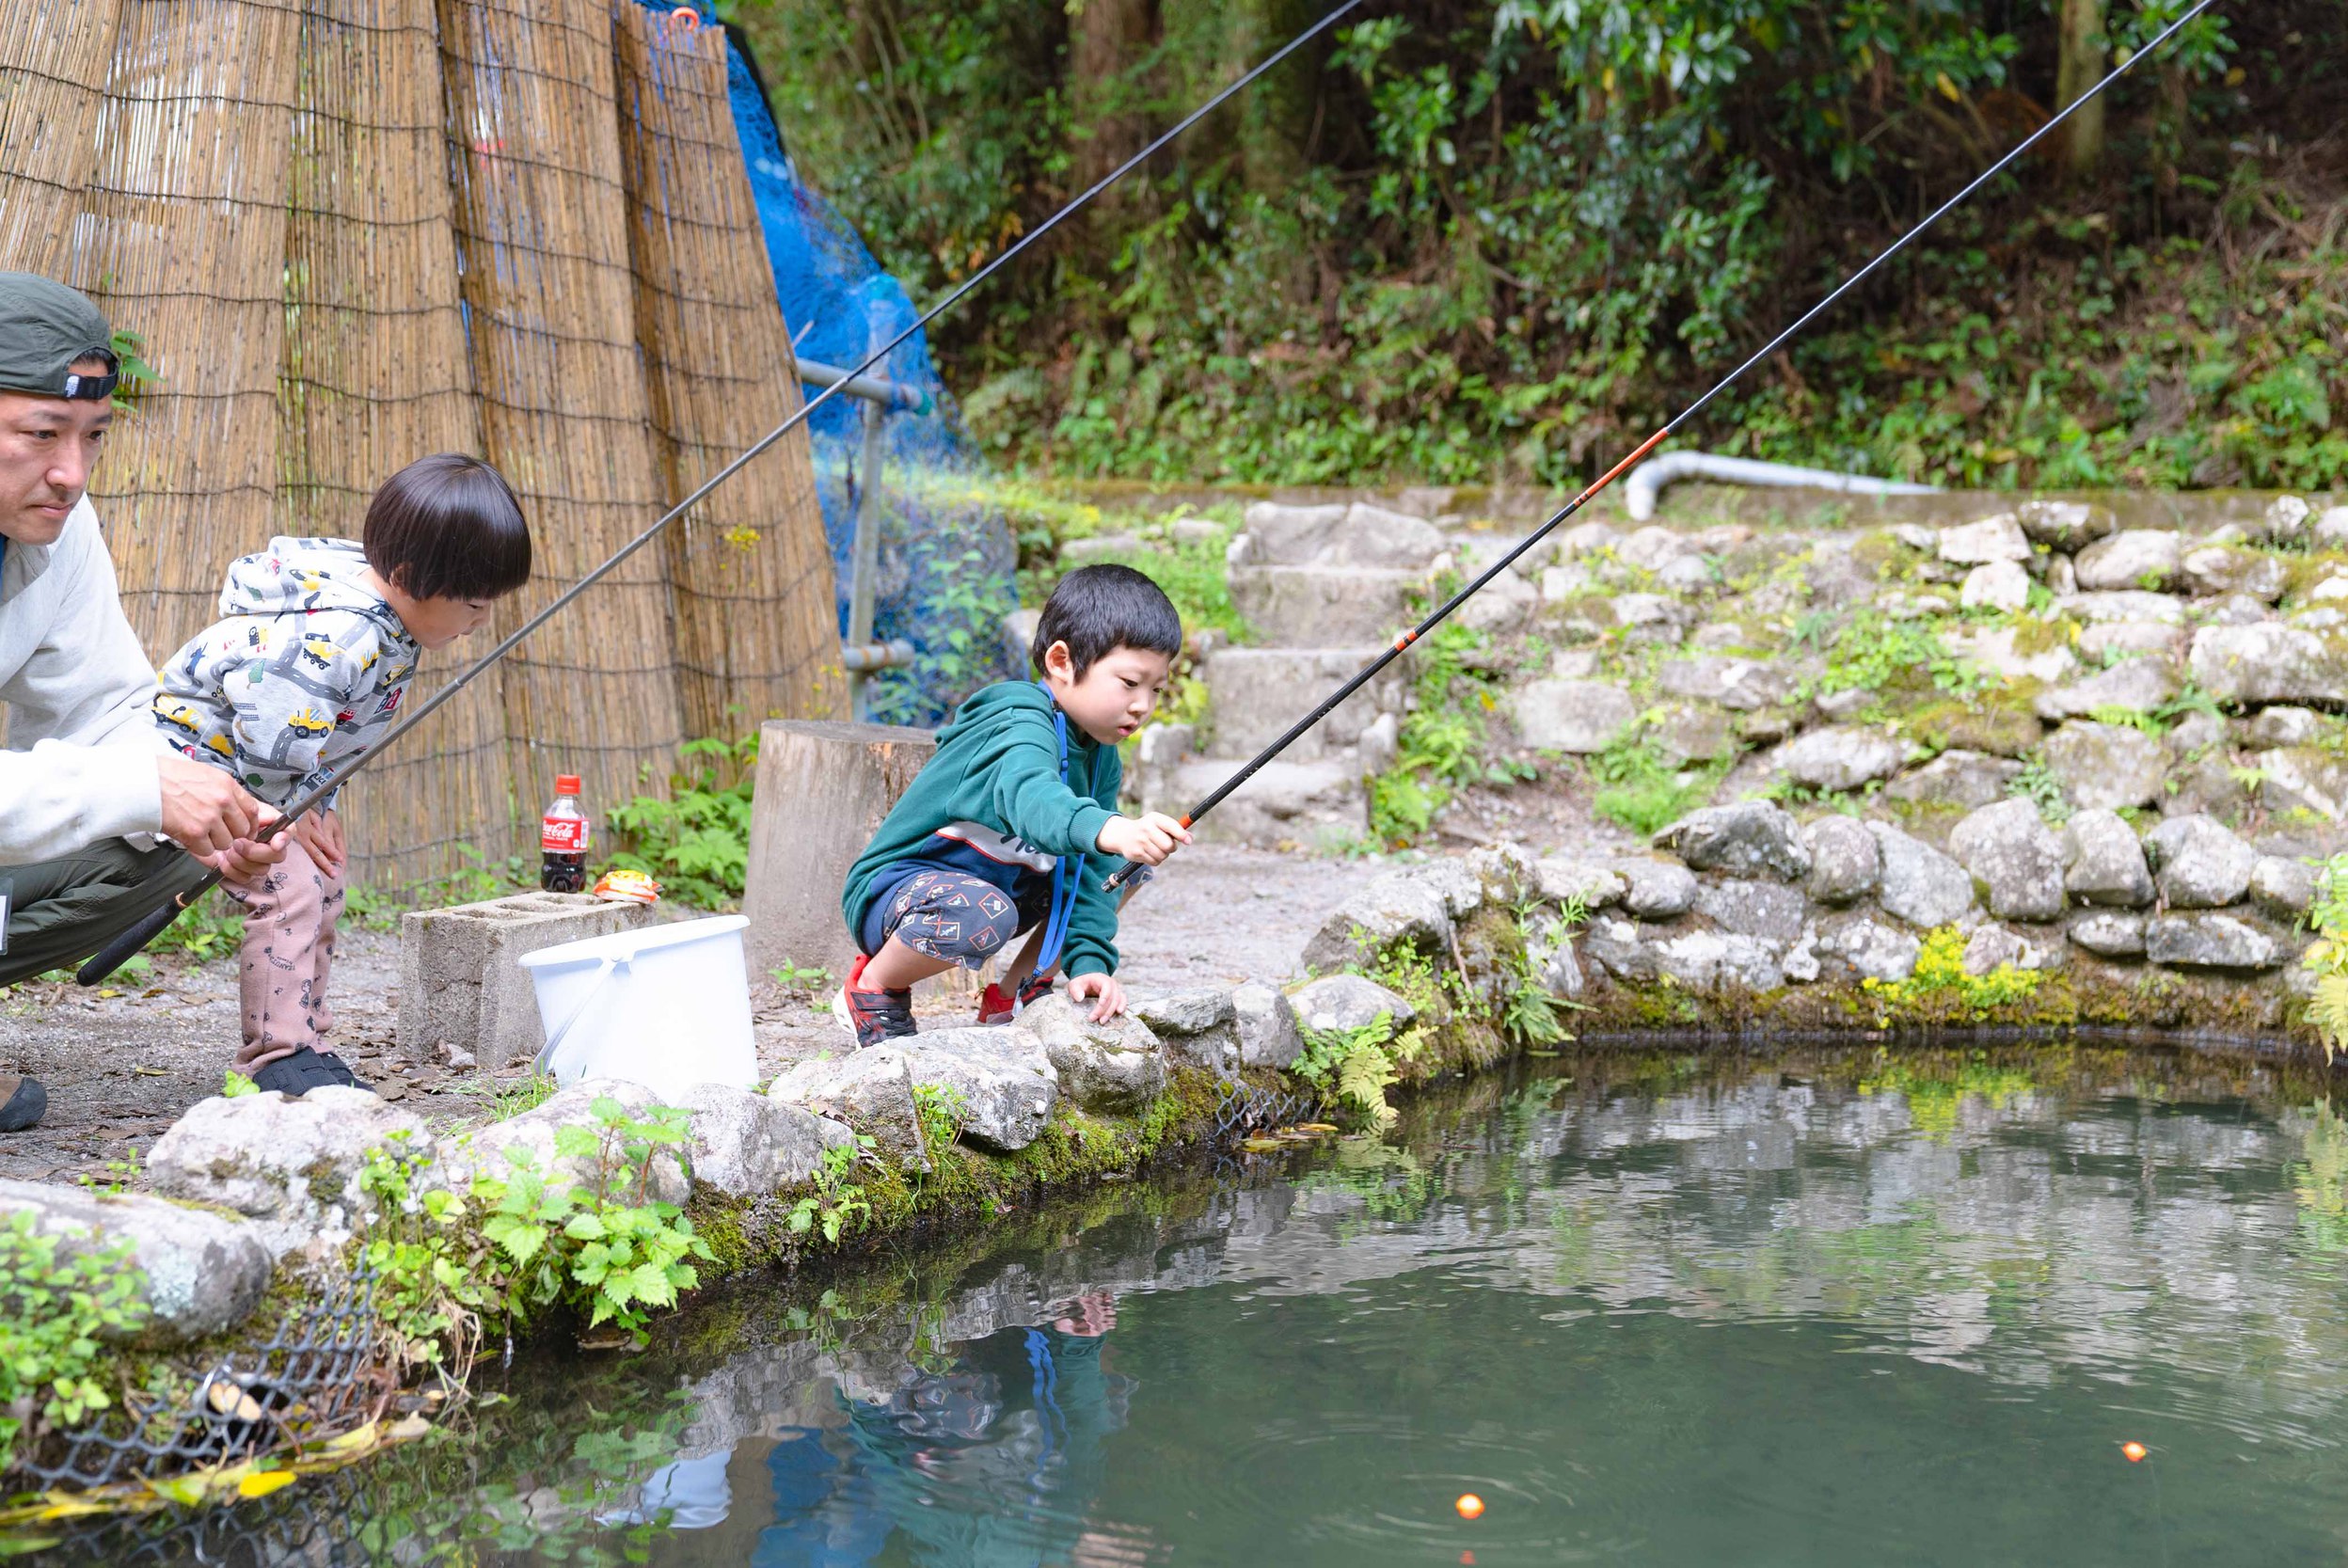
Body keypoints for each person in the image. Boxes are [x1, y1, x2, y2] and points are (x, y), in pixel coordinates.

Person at [0, 272, 287, 1133]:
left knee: (176, 829)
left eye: (94, 437)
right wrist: (143, 789)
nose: (72, 473)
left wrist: (198, 803)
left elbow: (108, 707)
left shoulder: (56, 527)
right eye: (42, 433)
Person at [151, 452, 531, 1095]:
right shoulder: (343, 630)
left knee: (322, 882)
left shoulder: (388, 620)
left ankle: (304, 1036)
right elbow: (273, 736)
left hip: (263, 774)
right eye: (472, 603)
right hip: (199, 768)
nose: (482, 621)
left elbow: (323, 730)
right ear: (409, 577)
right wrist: (293, 814)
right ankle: (275, 1058)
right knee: (289, 887)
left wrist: (318, 807)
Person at [836, 563, 1191, 1046]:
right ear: (1062, 662)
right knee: (991, 910)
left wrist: (1088, 964)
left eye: (1156, 689)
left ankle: (1016, 995)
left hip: (994, 891)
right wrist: (1111, 827)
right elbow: (1032, 798)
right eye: (1130, 682)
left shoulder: (1101, 757)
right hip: (897, 893)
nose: (1143, 705)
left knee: (1120, 868)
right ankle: (875, 986)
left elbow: (1090, 874)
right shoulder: (1015, 718)